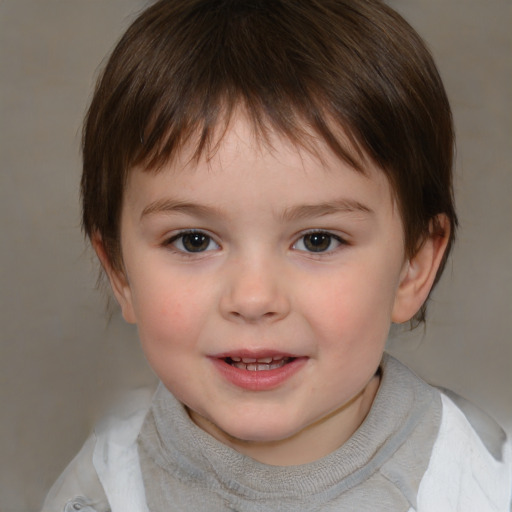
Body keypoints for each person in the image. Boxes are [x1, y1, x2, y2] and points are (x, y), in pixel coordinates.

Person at [41, 0, 511, 510]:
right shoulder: (105, 487)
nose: (253, 297)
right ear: (121, 272)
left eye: (318, 240)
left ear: (412, 268)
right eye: (194, 240)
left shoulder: (475, 480)